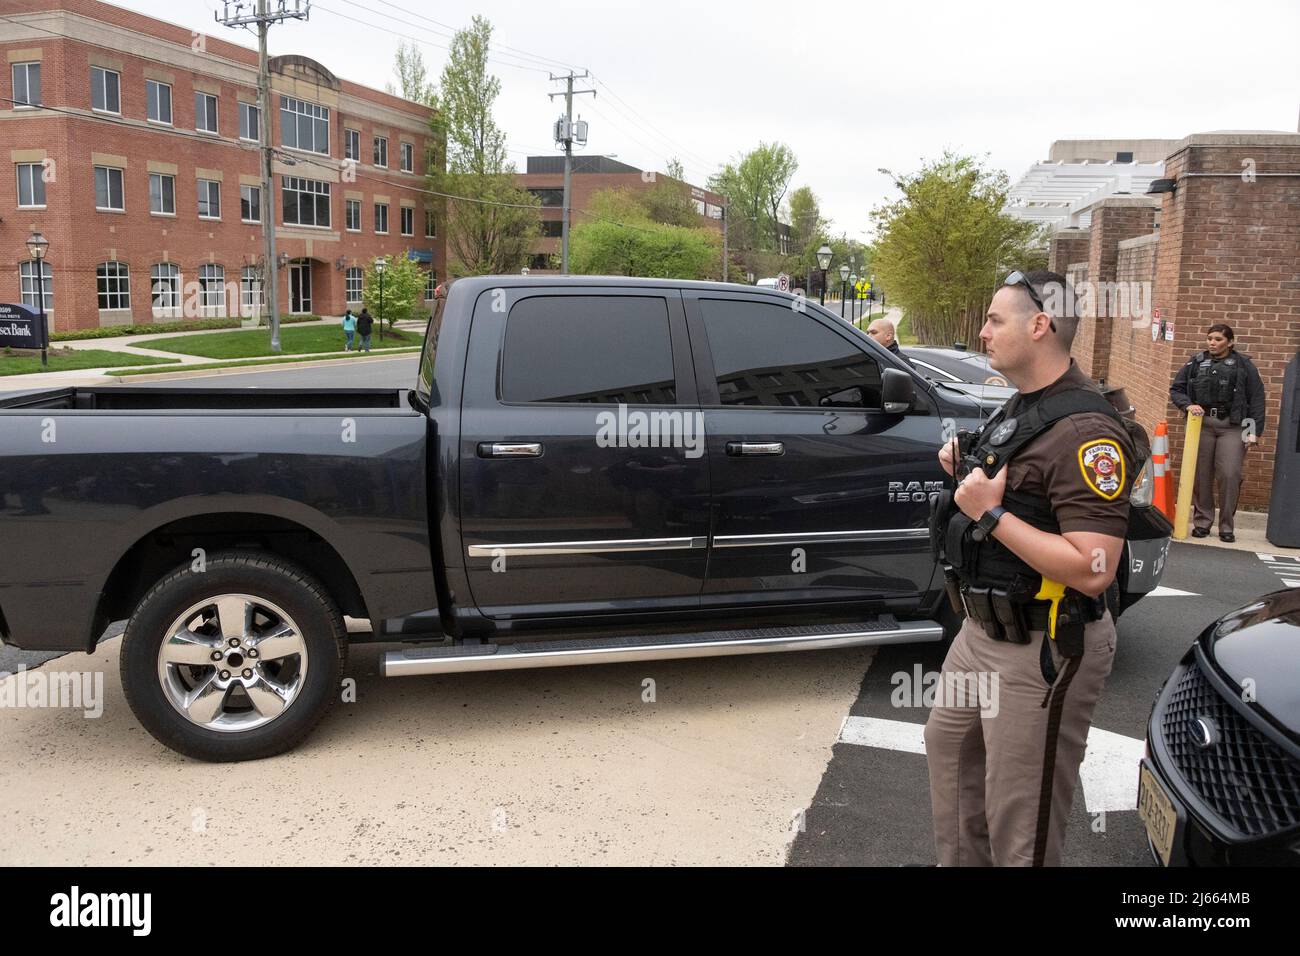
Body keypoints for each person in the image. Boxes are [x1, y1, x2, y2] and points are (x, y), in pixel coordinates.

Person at [924, 269, 1138, 866]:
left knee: (1021, 820)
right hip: (979, 631)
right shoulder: (1024, 407)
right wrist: (970, 475)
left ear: (1039, 325)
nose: (984, 333)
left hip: (1042, 645)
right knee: (952, 757)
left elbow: (1093, 567)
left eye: (995, 320)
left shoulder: (1087, 431)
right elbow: (1016, 494)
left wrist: (990, 515)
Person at [1168, 323, 1266, 543]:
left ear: (1230, 342)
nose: (1212, 342)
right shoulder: (1195, 362)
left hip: (1233, 426)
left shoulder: (1244, 365)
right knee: (1201, 476)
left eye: (1218, 339)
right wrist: (1187, 405)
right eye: (1210, 338)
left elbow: (1257, 399)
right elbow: (1177, 389)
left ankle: (1226, 526)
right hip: (1201, 426)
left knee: (1230, 474)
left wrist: (1253, 432)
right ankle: (1202, 522)